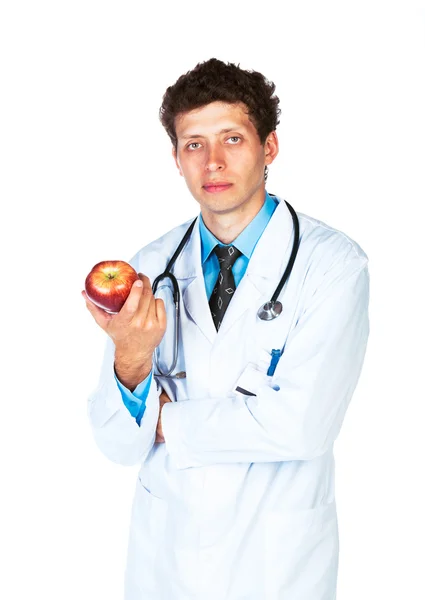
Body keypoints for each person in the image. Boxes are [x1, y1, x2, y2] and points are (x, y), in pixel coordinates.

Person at [83, 58, 370, 600]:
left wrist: (166, 421)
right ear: (176, 158)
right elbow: (118, 443)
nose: (213, 162)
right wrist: (132, 359)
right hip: (165, 565)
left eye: (232, 138)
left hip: (278, 565)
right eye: (194, 144)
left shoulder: (331, 265)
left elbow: (302, 426)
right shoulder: (151, 268)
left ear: (270, 147)